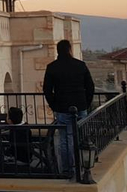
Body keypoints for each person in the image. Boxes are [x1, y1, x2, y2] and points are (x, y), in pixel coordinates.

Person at [42, 39, 95, 177]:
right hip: (80, 107)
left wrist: (54, 105)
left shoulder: (52, 67)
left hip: (62, 108)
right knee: (80, 138)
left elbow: (47, 90)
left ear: (58, 51)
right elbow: (90, 87)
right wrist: (86, 103)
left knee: (64, 140)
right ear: (70, 49)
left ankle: (67, 169)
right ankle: (81, 166)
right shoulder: (80, 65)